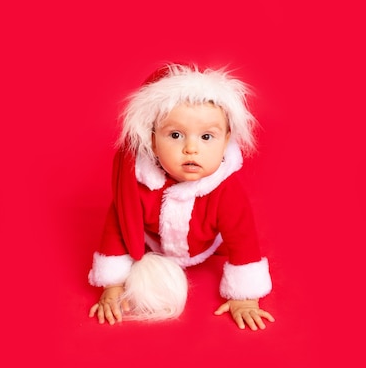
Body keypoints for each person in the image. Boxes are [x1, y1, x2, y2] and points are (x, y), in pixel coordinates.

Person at [87, 62, 275, 330]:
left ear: (226, 140)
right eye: (175, 135)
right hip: (154, 243)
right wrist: (113, 284)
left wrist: (245, 297)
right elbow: (117, 226)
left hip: (206, 245)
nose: (191, 148)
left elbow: (243, 238)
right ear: (152, 140)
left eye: (207, 137)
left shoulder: (225, 190)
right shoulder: (138, 185)